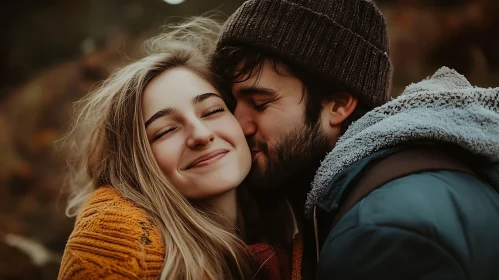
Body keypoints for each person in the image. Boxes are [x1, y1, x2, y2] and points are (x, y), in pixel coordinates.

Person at [215, 0, 499, 279]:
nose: (239, 125)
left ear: (338, 106)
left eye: (260, 103)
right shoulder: (394, 185)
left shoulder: (381, 233)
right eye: (233, 105)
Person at [58, 17, 281, 280]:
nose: (200, 134)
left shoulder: (291, 229)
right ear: (136, 163)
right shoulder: (126, 253)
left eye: (212, 111)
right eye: (165, 130)